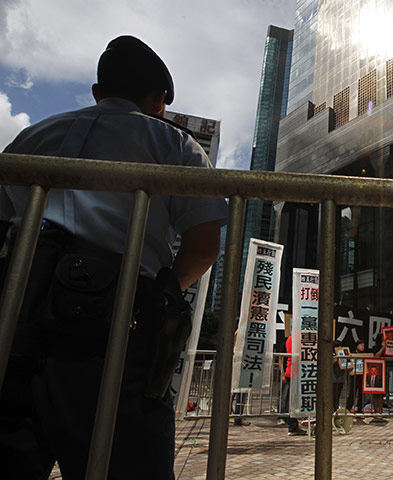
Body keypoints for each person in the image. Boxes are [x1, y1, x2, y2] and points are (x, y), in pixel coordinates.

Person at [0, 35, 228, 479]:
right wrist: (162, 295)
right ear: (160, 99)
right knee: (126, 456)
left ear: (97, 93)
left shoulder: (35, 134)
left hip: (16, 309)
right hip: (116, 317)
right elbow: (203, 246)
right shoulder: (175, 145)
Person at [279, 335, 305, 436]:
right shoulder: (300, 338)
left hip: (293, 371)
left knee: (292, 399)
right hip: (297, 371)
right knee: (292, 400)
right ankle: (292, 425)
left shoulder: (291, 338)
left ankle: (292, 423)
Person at [345, 340, 367, 413]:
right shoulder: (352, 354)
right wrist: (349, 370)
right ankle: (348, 409)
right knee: (352, 393)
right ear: (357, 346)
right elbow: (348, 364)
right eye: (361, 345)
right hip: (354, 375)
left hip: (362, 376)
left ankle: (360, 409)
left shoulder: (364, 355)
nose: (362, 347)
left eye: (363, 345)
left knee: (361, 394)